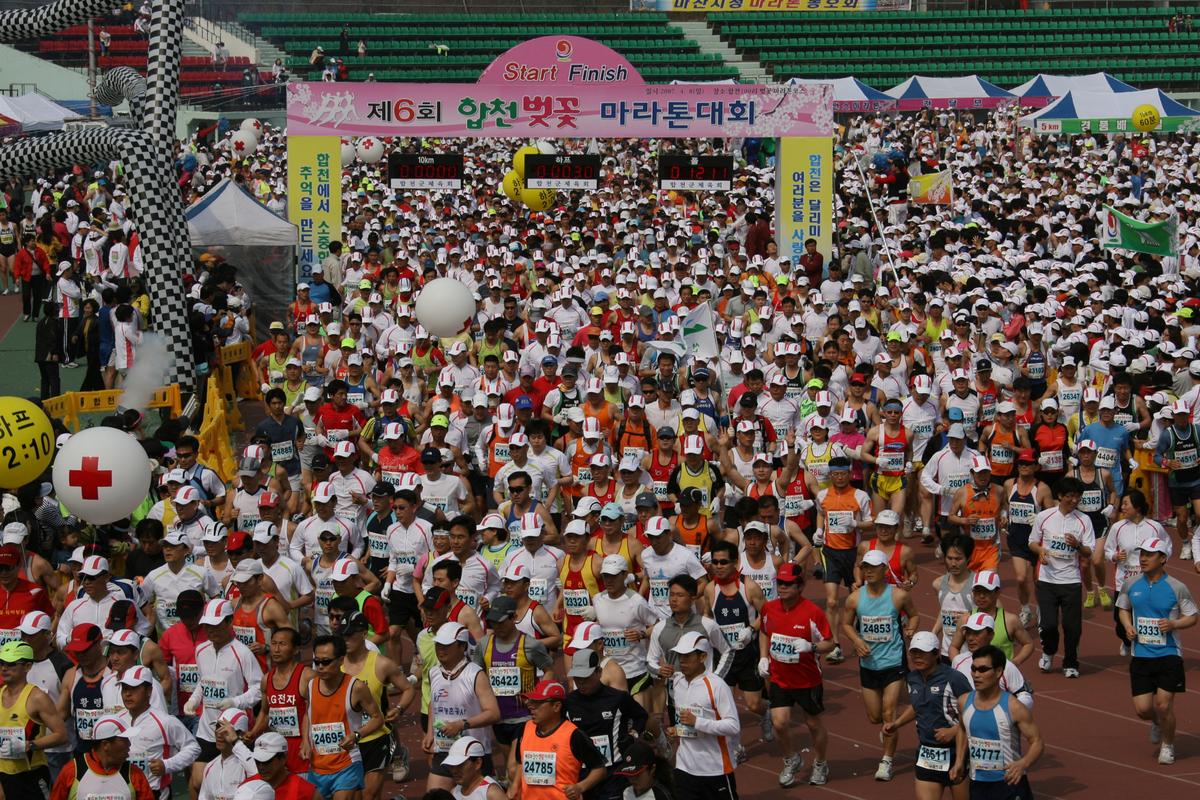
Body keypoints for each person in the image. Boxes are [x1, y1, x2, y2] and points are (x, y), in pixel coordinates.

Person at [1116, 538, 1198, 765]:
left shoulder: (1177, 587)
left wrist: (1173, 625)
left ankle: (1168, 746)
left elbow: (1192, 616)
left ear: (1163, 559)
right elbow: (1123, 608)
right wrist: (1128, 626)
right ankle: (1156, 722)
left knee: (1164, 704)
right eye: (1142, 553)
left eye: (1149, 555)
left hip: (1169, 654)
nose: (1143, 558)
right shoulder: (1131, 584)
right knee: (1143, 710)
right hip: (1140, 655)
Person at [841, 548, 919, 781]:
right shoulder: (855, 598)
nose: (869, 571)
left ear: (885, 570)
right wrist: (857, 641)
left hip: (894, 662)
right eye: (865, 567)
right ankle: (887, 731)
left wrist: (911, 628)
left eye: (874, 567)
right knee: (874, 717)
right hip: (868, 664)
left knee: (888, 715)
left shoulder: (898, 596)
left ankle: (886, 761)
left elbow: (914, 614)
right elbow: (846, 624)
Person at [184, 599, 262, 793]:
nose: (210, 631)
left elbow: (259, 688)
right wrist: (193, 699)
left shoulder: (242, 653)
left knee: (232, 784)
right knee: (197, 781)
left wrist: (235, 702)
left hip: (233, 728)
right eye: (207, 626)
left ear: (229, 622)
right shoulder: (201, 650)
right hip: (206, 728)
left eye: (216, 625)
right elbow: (203, 681)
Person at [884, 631, 973, 800]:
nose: (917, 657)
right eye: (914, 652)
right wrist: (897, 723)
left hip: (956, 752)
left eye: (922, 652)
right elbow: (919, 706)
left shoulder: (954, 678)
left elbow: (974, 710)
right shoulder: (912, 678)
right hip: (927, 752)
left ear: (936, 654)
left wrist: (953, 731)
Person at [473, 595, 551, 783]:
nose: (497, 627)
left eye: (501, 622)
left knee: (513, 768)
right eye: (493, 622)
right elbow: (477, 675)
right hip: (498, 719)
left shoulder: (531, 645)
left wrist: (538, 698)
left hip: (524, 718)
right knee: (514, 771)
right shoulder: (484, 644)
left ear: (513, 617)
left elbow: (549, 670)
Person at [338, 610, 414, 800]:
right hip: (347, 740)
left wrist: (399, 708)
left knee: (368, 794)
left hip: (377, 737)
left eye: (350, 634)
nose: (346, 639)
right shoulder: (335, 665)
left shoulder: (382, 664)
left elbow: (408, 689)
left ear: (364, 634)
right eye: (343, 634)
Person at [300, 634, 384, 800]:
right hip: (318, 766)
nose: (320, 667)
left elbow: (377, 718)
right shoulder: (311, 685)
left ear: (340, 660)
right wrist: (305, 742)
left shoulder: (356, 687)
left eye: (326, 662)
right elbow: (308, 715)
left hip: (347, 763)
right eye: (317, 662)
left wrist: (356, 735)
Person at [1028, 477, 1095, 678]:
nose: (1074, 501)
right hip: (1047, 580)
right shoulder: (1045, 517)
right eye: (1070, 496)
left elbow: (1088, 551)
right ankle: (1048, 652)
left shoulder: (1084, 521)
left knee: (1072, 626)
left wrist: (1077, 545)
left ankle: (1071, 662)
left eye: (1077, 497)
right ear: (1060, 496)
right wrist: (1040, 552)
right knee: (1048, 625)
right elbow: (1032, 542)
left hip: (1071, 580)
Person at [957, 645, 1043, 800]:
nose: (976, 675)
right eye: (973, 669)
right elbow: (962, 730)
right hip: (978, 784)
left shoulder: (1014, 707)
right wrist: (959, 761)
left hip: (1009, 783)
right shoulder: (964, 702)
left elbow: (1037, 742)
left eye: (983, 670)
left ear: (998, 672)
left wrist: (1023, 763)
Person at [423, 622, 500, 793]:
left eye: (446, 645)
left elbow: (494, 713)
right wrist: (429, 733)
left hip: (472, 753)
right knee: (434, 796)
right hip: (444, 749)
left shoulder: (475, 674)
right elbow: (433, 703)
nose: (440, 649)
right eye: (438, 645)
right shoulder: (434, 672)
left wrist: (462, 724)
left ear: (462, 646)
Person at [563, 648, 648, 800]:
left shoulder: (618, 698)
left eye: (586, 677)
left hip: (613, 774)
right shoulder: (569, 702)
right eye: (577, 678)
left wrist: (633, 734)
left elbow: (641, 716)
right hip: (582, 775)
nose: (581, 683)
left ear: (599, 672)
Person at [666, 632, 741, 800]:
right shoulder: (677, 683)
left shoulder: (716, 685)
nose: (682, 661)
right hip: (685, 767)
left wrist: (698, 722)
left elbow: (733, 726)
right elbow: (684, 720)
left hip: (715, 768)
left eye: (687, 656)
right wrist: (677, 729)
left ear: (702, 657)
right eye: (679, 656)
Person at [510, 678, 607, 800]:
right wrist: (515, 786)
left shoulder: (574, 735)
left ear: (556, 706)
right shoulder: (525, 728)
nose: (531, 707)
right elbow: (521, 763)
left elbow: (600, 769)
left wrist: (580, 787)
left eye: (538, 703)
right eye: (531, 701)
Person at [114, 665, 199, 800]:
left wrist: (167, 765)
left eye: (134, 688)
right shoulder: (116, 720)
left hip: (154, 794)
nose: (127, 694)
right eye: (125, 689)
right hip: (121, 793)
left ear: (149, 691)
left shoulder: (164, 721)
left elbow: (193, 748)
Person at [0, 640, 68, 799]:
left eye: (11, 664)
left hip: (31, 776)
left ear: (27, 666)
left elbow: (61, 735)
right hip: (3, 775)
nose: (4, 668)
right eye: (2, 662)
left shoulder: (37, 698)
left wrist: (30, 745)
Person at [249, 626, 310, 776]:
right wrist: (252, 733)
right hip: (275, 753)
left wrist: (308, 741)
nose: (276, 649)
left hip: (301, 751)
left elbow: (314, 713)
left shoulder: (307, 676)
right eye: (274, 643)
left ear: (296, 649)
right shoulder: (266, 679)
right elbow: (265, 713)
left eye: (282, 644)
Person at [49, 715, 155, 800]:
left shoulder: (135, 774)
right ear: (105, 745)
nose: (129, 744)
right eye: (124, 739)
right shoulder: (72, 771)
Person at [249, 732, 317, 800]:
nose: (261, 766)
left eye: (267, 761)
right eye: (257, 761)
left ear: (284, 758)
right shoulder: (247, 787)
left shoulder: (305, 790)